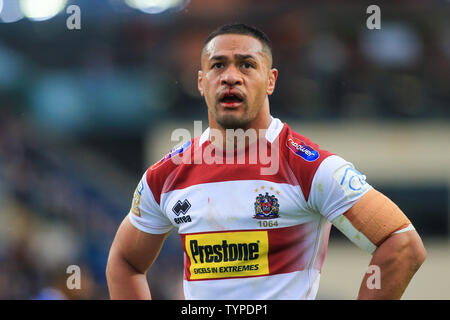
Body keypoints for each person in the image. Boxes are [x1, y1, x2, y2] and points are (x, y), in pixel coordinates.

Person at [106, 23, 426, 300]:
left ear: (270, 80)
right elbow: (125, 262)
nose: (231, 77)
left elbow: (402, 245)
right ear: (201, 82)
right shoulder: (164, 177)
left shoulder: (311, 169)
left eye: (246, 65)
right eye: (218, 65)